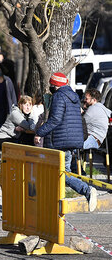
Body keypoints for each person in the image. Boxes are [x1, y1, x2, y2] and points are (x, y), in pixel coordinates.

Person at [34, 72, 98, 212]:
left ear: (55, 85)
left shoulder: (58, 96)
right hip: (71, 141)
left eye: (51, 85)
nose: (50, 87)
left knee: (61, 174)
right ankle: (53, 205)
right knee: (63, 173)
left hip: (59, 141)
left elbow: (55, 119)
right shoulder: (74, 96)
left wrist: (40, 132)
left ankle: (87, 190)